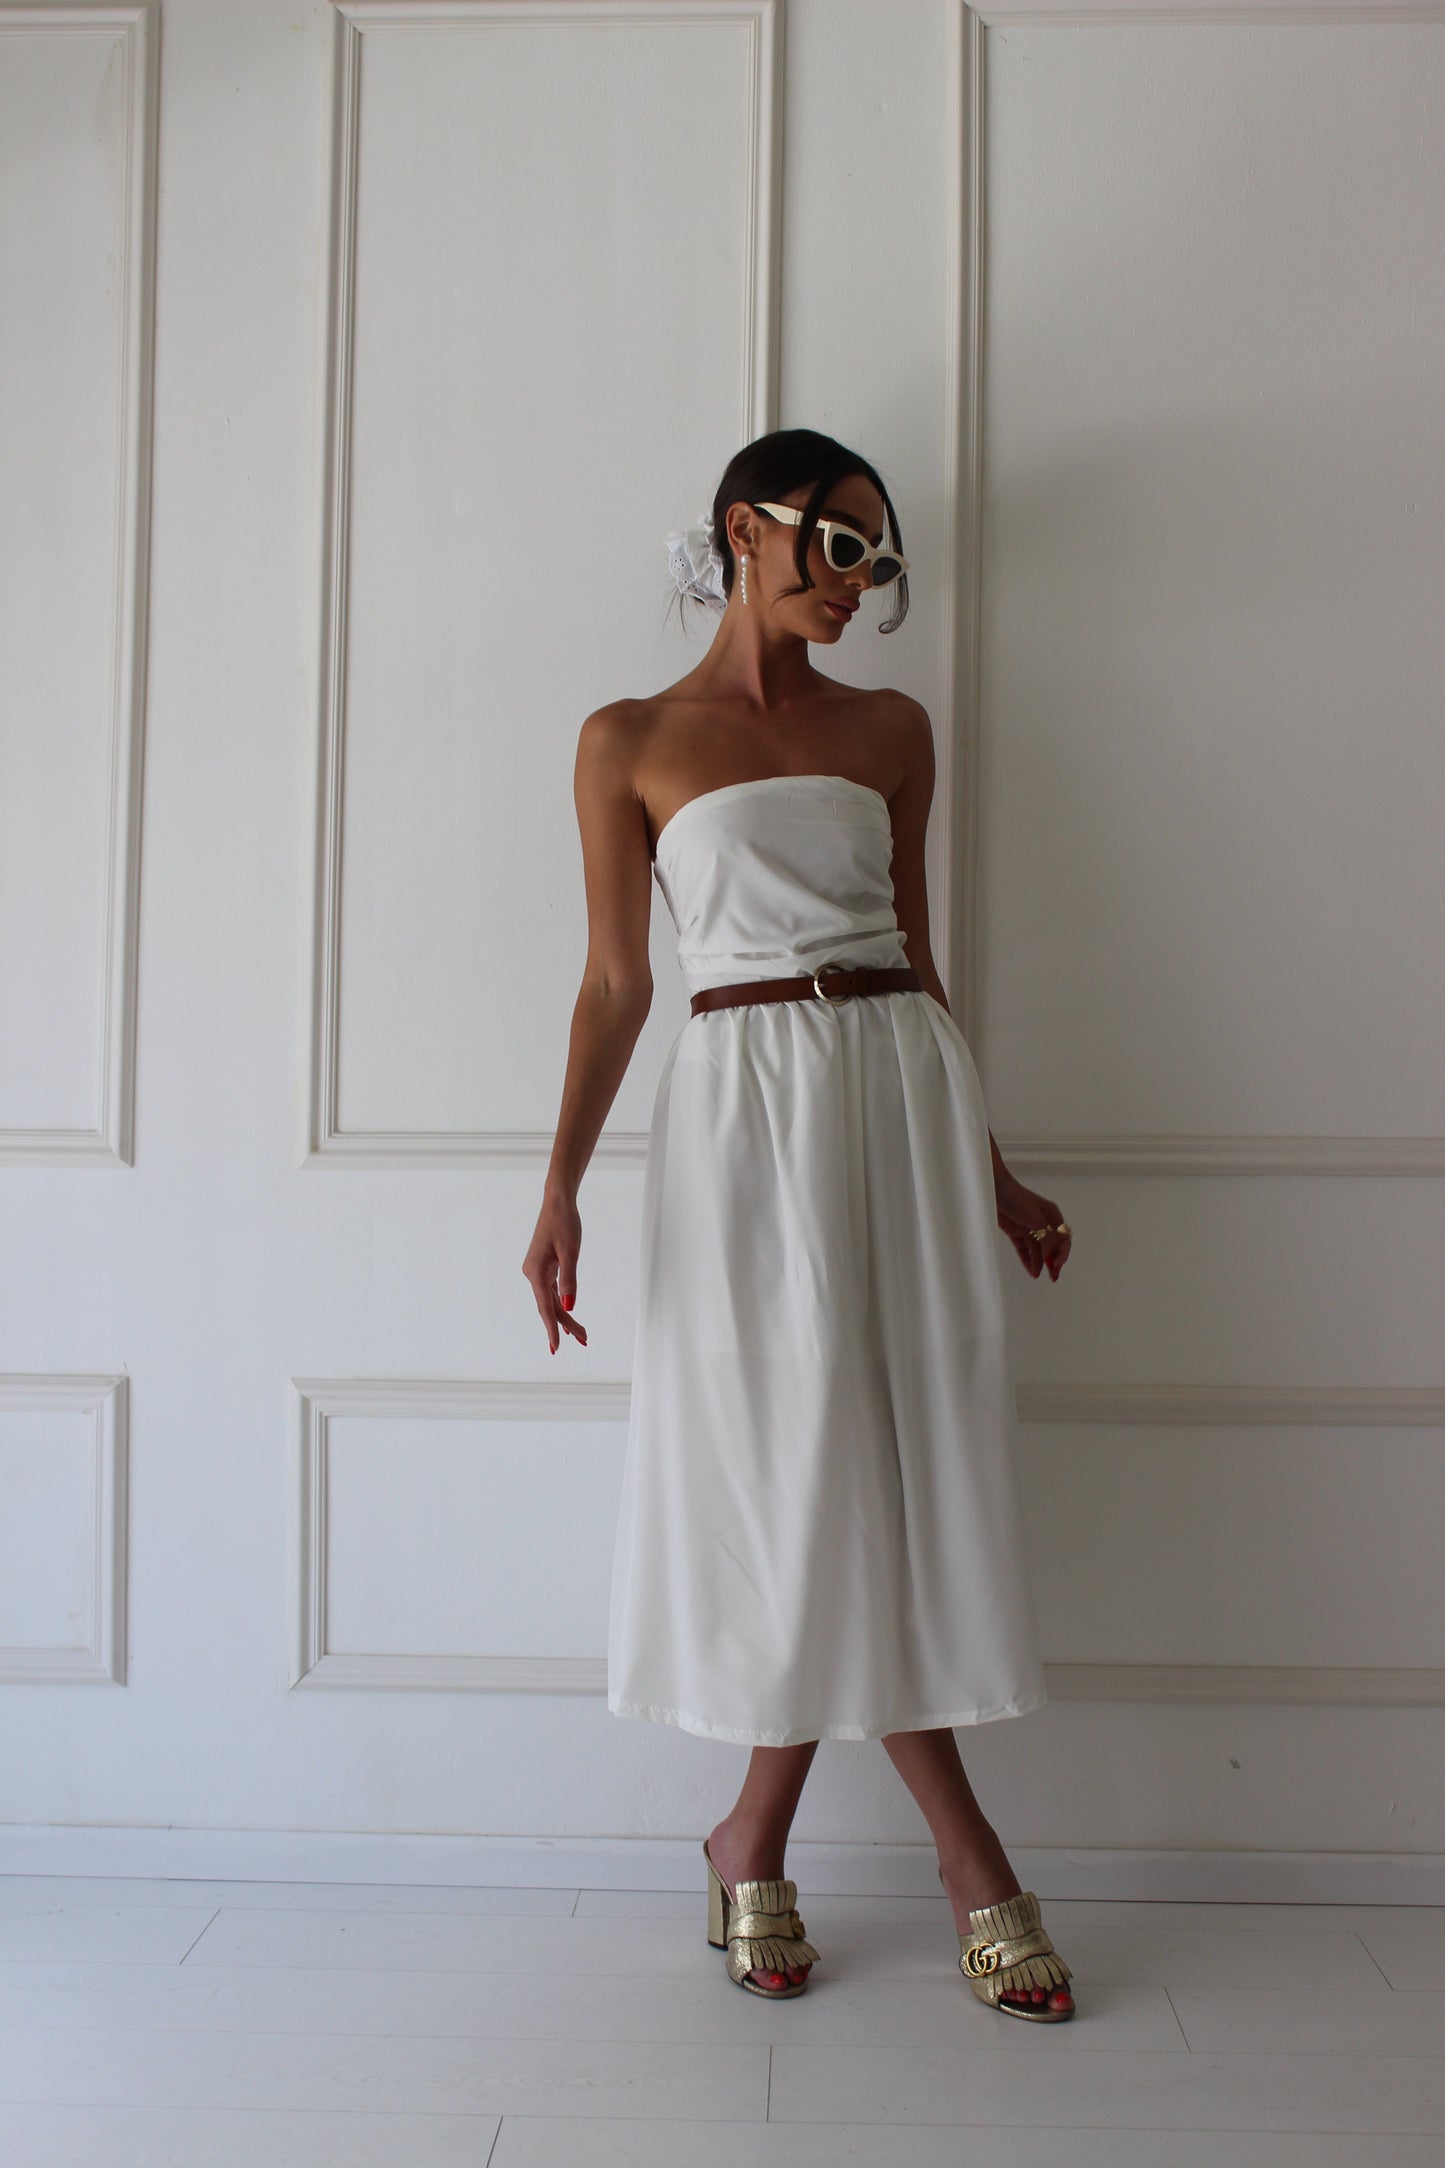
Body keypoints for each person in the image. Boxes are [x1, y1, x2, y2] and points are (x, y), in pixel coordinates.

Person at [523, 428, 1076, 2020]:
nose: (861, 583)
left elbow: (921, 958)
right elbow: (616, 982)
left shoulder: (893, 728)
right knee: (799, 1465)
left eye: (878, 562)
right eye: (840, 547)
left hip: (896, 1094)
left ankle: (752, 1838)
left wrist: (989, 1168)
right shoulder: (628, 738)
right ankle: (965, 1859)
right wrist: (558, 1185)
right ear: (743, 531)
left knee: (880, 1462)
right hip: (742, 1117)